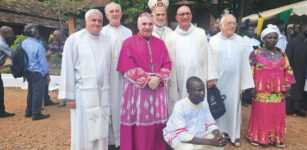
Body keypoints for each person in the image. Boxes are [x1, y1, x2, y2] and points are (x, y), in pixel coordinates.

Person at [117, 12, 171, 150]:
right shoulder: (129, 42)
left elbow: (167, 64)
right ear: (138, 25)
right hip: (137, 90)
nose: (147, 27)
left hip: (157, 89)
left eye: (150, 24)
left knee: (157, 127)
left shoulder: (160, 43)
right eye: (144, 24)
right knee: (138, 126)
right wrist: (147, 80)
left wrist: (158, 78)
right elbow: (127, 66)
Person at [58, 9, 111, 150]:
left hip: (102, 93)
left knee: (101, 129)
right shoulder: (75, 39)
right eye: (93, 20)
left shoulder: (105, 39)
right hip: (83, 94)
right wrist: (69, 97)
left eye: (99, 21)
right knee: (84, 130)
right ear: (86, 22)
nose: (97, 23)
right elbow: (67, 67)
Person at [209, 14, 254, 147]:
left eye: (234, 23)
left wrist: (245, 82)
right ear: (221, 26)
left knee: (234, 108)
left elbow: (245, 62)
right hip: (218, 82)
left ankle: (234, 135)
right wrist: (209, 78)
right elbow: (208, 61)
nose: (232, 26)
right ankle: (218, 134)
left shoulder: (240, 40)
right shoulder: (213, 40)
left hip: (234, 83)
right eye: (229, 23)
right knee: (217, 107)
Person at [247, 24, 295, 148]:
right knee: (261, 114)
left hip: (278, 91)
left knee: (277, 114)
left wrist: (288, 85)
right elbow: (249, 71)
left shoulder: (282, 53)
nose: (272, 40)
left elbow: (287, 69)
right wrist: (251, 87)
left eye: (274, 38)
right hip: (260, 91)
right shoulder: (255, 53)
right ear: (263, 39)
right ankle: (257, 137)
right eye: (269, 37)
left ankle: (277, 138)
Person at [165, 6, 218, 113]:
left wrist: (211, 76)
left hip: (198, 76)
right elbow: (167, 61)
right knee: (181, 107)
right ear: (176, 17)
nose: (185, 17)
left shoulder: (200, 33)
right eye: (182, 14)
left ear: (191, 16)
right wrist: (171, 82)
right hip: (179, 79)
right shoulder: (170, 37)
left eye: (187, 14)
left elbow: (208, 54)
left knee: (198, 107)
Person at [163, 76, 227, 150]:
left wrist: (218, 135)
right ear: (189, 91)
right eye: (199, 90)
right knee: (189, 148)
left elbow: (210, 122)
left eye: (203, 90)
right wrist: (211, 142)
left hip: (198, 132)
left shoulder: (204, 102)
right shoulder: (180, 106)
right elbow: (182, 134)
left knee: (219, 144)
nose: (202, 93)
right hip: (177, 135)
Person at [101, 2, 132, 148]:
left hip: (126, 77)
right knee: (110, 104)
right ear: (107, 15)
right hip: (109, 76)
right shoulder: (102, 32)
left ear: (121, 13)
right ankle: (112, 141)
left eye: (117, 11)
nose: (114, 14)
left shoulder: (128, 32)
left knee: (124, 105)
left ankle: (125, 138)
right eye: (111, 11)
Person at [22, 24, 50, 120]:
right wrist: (47, 74)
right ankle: (36, 113)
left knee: (31, 92)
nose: (39, 33)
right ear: (35, 33)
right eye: (37, 31)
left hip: (27, 71)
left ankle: (28, 111)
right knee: (38, 92)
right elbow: (43, 62)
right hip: (37, 72)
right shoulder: (38, 45)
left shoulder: (23, 43)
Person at [285, 24, 307, 117]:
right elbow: (287, 58)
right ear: (304, 29)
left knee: (300, 90)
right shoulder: (293, 42)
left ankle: (296, 109)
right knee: (292, 90)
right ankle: (290, 109)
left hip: (303, 71)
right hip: (293, 70)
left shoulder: (304, 42)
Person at [242, 25, 261, 107]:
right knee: (245, 80)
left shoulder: (257, 42)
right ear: (246, 31)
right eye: (250, 30)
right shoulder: (242, 40)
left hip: (254, 65)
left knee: (252, 81)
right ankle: (243, 99)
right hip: (246, 64)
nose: (252, 32)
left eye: (253, 30)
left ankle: (250, 98)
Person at [0, 26, 15, 118]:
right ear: (4, 34)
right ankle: (1, 112)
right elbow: (13, 55)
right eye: (10, 33)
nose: (12, 35)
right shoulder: (2, 44)